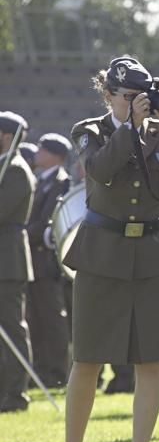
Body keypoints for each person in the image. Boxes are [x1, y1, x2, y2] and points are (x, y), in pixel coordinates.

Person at [57, 56, 159, 442]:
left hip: (153, 255)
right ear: (109, 95)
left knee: (151, 360)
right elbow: (100, 170)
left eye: (142, 97)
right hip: (101, 254)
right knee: (87, 360)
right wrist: (128, 128)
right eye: (127, 97)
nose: (137, 104)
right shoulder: (91, 130)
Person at [25, 133, 73, 389]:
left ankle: (56, 371)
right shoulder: (40, 181)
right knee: (36, 319)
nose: (37, 153)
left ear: (55, 155)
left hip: (47, 263)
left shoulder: (60, 182)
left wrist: (21, 230)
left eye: (43, 149)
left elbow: (46, 223)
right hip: (33, 261)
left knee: (53, 320)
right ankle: (41, 369)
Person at [0, 111, 36, 413]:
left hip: (8, 259)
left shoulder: (15, 169)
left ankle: (16, 393)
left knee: (12, 328)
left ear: (8, 138)